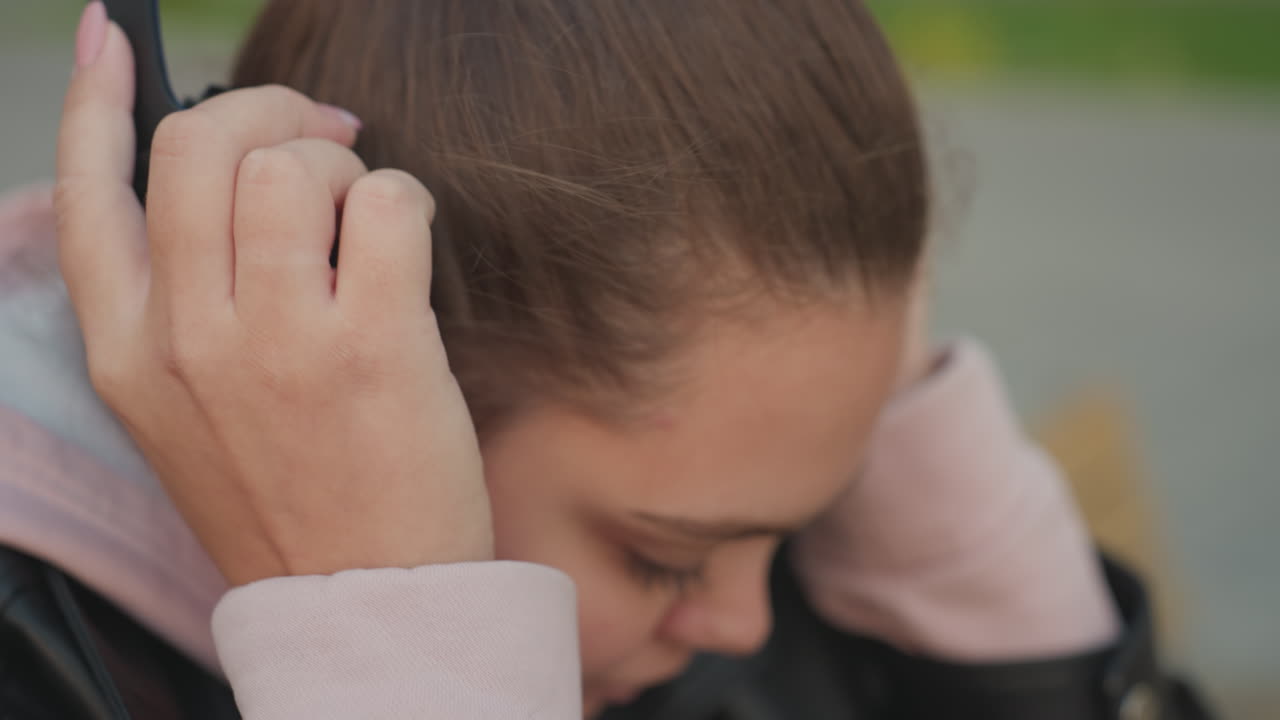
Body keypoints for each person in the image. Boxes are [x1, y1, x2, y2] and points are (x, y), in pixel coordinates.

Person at [0, 1, 1214, 718]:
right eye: (667, 559)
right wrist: (388, 640)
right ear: (348, 374)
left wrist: (953, 547)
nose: (743, 622)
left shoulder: (691, 541)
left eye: (795, 529)